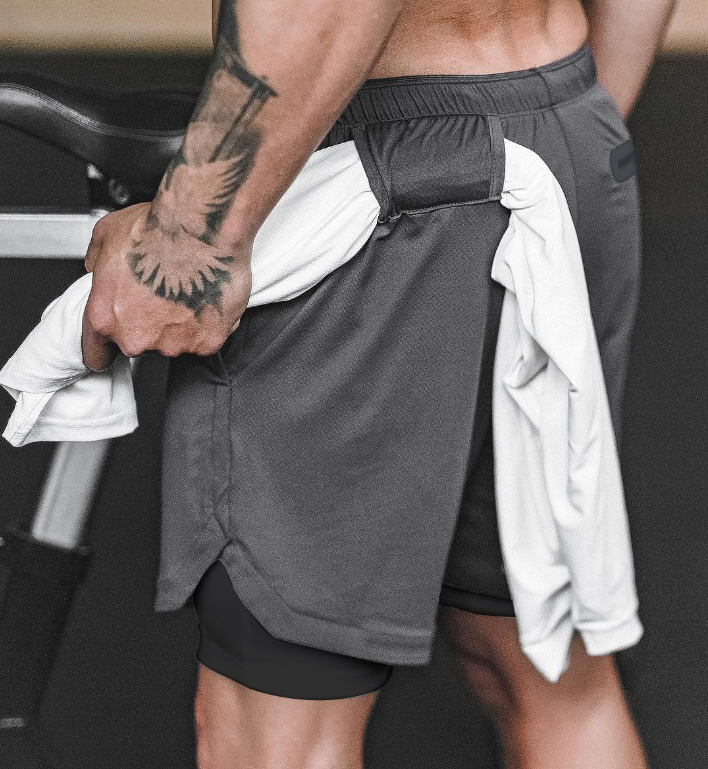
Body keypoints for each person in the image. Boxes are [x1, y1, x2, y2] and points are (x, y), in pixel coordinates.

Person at [81, 0, 678, 767]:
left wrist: (189, 239)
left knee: (279, 730)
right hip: (565, 125)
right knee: (544, 662)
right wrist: (573, 133)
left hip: (383, 177)